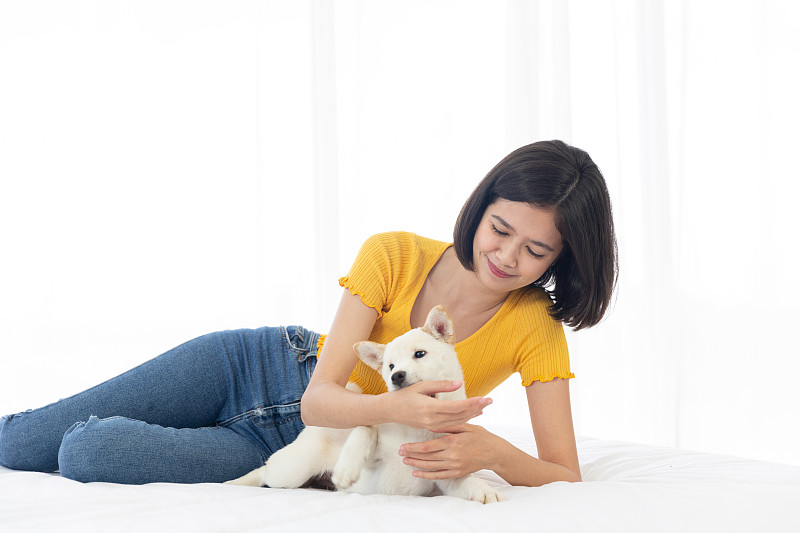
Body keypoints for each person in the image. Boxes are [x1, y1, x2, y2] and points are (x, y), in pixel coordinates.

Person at [0, 140, 617, 486]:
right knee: (17, 442)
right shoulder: (393, 253)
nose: (506, 256)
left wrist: (488, 451)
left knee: (88, 453)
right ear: (480, 208)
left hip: (298, 445)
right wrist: (394, 406)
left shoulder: (536, 329)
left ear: (564, 258)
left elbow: (563, 473)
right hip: (254, 365)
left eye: (535, 250)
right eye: (499, 228)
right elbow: (319, 396)